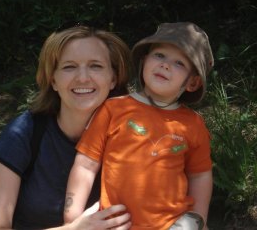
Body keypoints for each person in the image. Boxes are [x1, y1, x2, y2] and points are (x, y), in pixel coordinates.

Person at [0, 24, 133, 230]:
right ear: (53, 80)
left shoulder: (138, 133)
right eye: (69, 67)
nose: (83, 77)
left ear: (113, 78)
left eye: (96, 66)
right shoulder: (25, 132)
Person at [64, 22, 214, 230]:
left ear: (193, 83)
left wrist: (198, 218)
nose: (166, 65)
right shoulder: (113, 109)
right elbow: (86, 164)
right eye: (159, 55)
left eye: (179, 63)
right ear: (144, 61)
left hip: (174, 225)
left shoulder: (192, 124)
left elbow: (199, 174)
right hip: (116, 224)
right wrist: (73, 219)